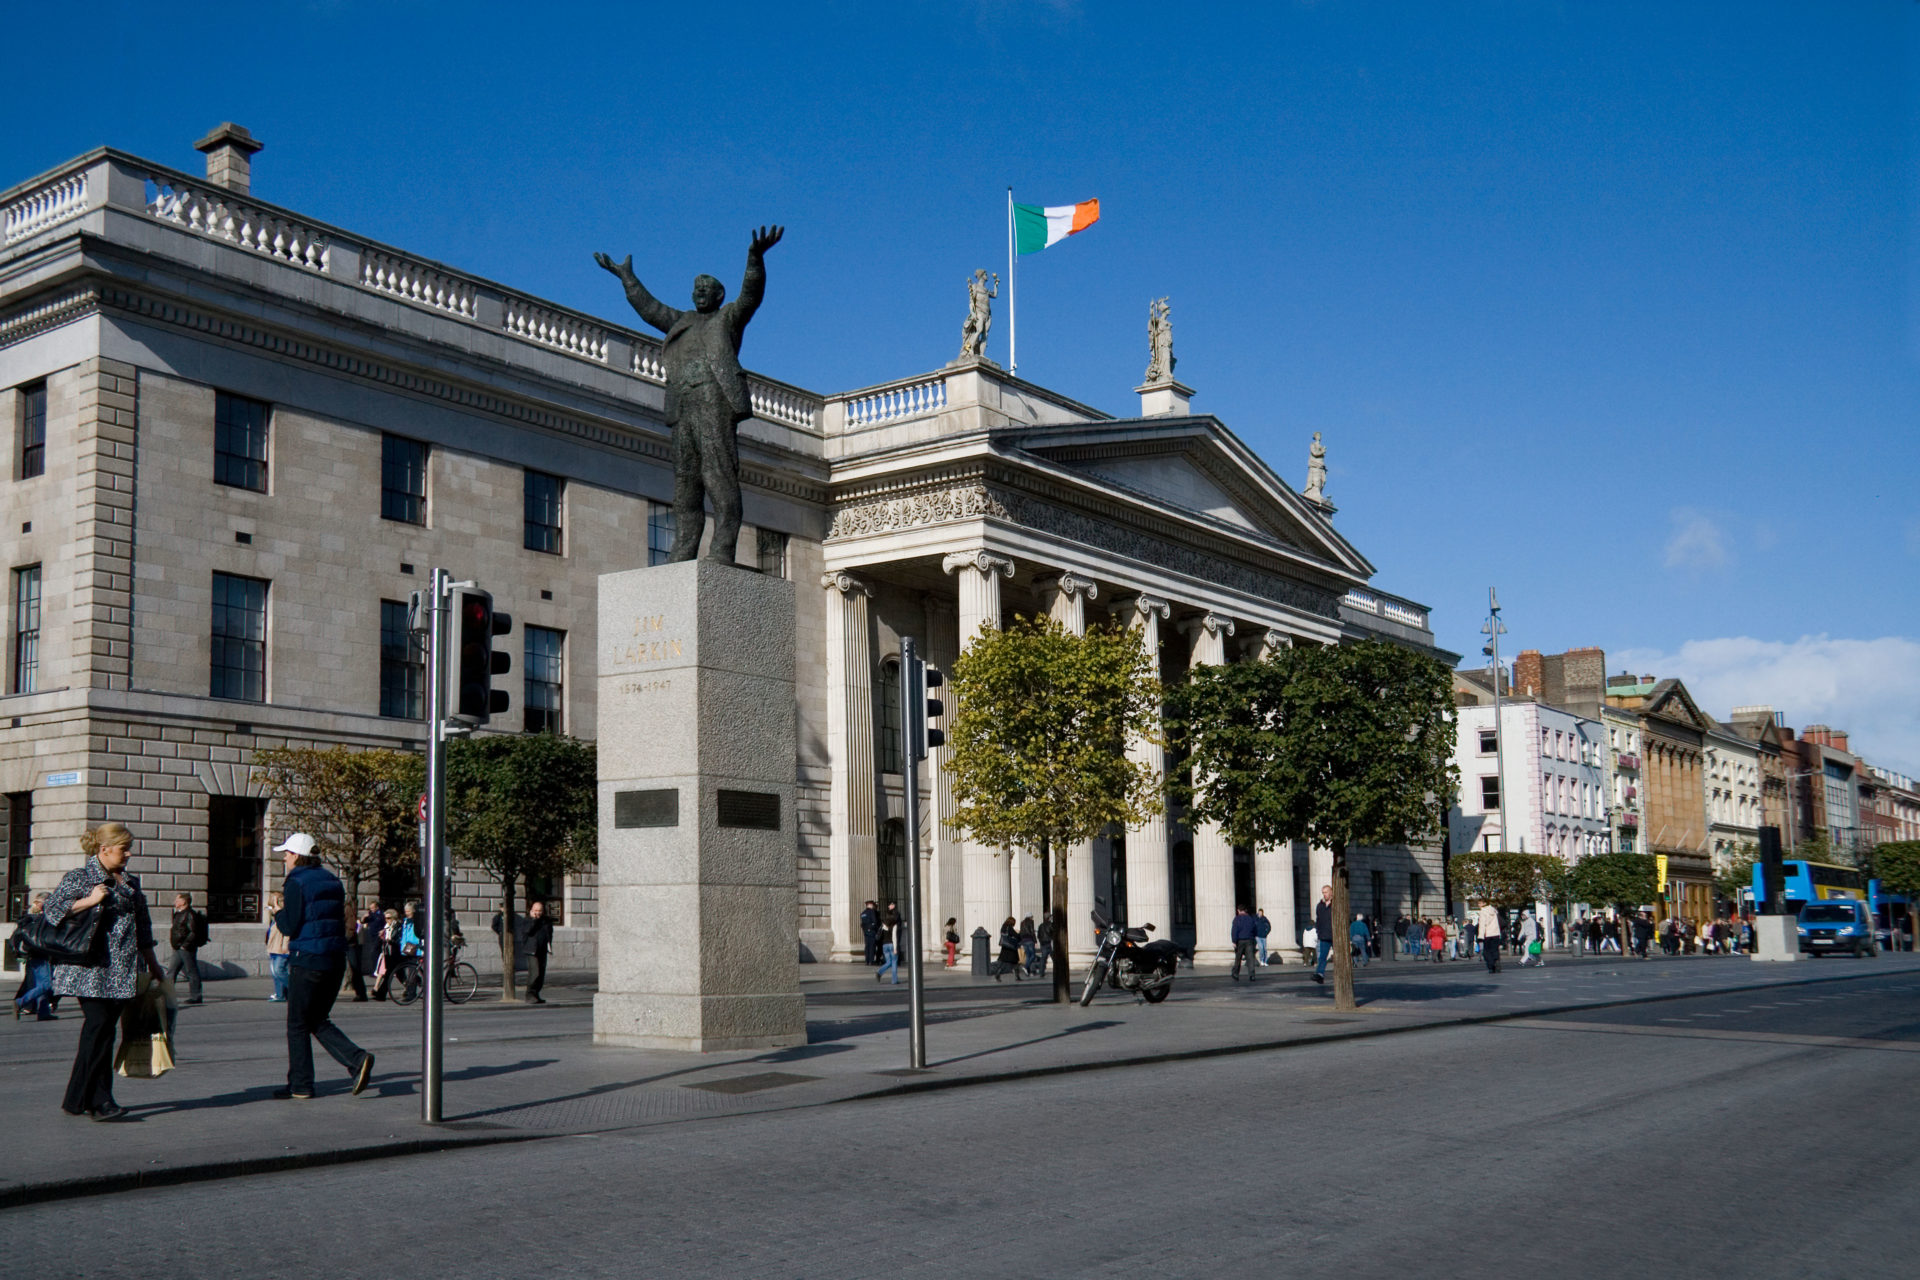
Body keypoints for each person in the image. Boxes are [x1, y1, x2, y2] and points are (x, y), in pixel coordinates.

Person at [44, 822, 163, 1119]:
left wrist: (154, 965)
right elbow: (52, 911)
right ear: (104, 849)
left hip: (122, 971)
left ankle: (76, 1099)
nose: (128, 854)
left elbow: (143, 928)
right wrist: (91, 900)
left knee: (103, 1034)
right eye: (123, 849)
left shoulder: (130, 883)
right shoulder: (81, 877)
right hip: (89, 969)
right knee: (98, 1029)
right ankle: (100, 1101)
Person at [271, 833, 374, 1100]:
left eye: (287, 853)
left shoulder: (295, 882)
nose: (284, 857)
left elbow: (290, 926)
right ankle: (356, 1060)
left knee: (296, 1024)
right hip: (334, 959)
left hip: (307, 958)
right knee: (316, 1018)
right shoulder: (332, 880)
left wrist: (277, 912)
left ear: (297, 855)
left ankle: (302, 1085)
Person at [12, 893, 59, 1020]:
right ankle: (20, 1002)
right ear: (41, 904)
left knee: (41, 984)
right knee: (47, 984)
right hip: (42, 955)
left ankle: (43, 1013)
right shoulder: (42, 918)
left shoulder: (29, 918)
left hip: (33, 955)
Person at [165, 891, 208, 1004]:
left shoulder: (190, 914)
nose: (175, 902)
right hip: (178, 947)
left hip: (186, 948)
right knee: (171, 972)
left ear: (184, 901)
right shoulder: (178, 913)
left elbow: (193, 932)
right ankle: (167, 995)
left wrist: (185, 945)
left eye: (177, 900)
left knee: (191, 971)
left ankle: (196, 996)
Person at [522, 900, 554, 1003]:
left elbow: (549, 933)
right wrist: (533, 920)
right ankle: (529, 994)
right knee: (534, 973)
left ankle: (536, 994)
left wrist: (549, 945)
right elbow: (527, 931)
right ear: (531, 910)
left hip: (542, 949)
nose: (537, 913)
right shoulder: (527, 920)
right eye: (535, 910)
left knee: (541, 974)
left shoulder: (546, 921)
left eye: (540, 911)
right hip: (532, 950)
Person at [265, 892, 291, 1002]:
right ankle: (279, 994)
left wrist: (285, 946)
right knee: (275, 973)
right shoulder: (273, 918)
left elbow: (287, 933)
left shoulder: (284, 915)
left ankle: (294, 991)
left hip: (282, 949)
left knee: (279, 970)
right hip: (273, 949)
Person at [1312, 884, 1334, 985]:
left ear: (1331, 892)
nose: (1324, 894)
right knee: (1322, 957)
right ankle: (1320, 974)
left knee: (1338, 957)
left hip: (1335, 935)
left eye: (1326, 892)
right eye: (1323, 893)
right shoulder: (1320, 905)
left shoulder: (1336, 904)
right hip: (1324, 935)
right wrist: (1318, 931)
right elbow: (1318, 919)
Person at [1230, 906, 1259, 981]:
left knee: (1238, 958)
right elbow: (1255, 929)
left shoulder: (1237, 919)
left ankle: (1235, 973)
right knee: (1250, 958)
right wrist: (1253, 936)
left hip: (1240, 940)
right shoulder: (1250, 918)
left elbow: (1234, 930)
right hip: (1249, 940)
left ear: (1238, 910)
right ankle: (1252, 975)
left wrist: (1234, 941)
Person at [991, 917, 1023, 981]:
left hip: (1005, 947)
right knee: (1015, 962)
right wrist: (1020, 934)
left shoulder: (1003, 927)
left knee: (1003, 962)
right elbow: (1016, 935)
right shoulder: (1009, 928)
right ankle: (1017, 976)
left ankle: (998, 973)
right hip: (1011, 948)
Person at [874, 903, 899, 985]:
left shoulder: (883, 924)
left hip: (884, 945)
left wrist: (890, 909)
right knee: (894, 962)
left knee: (888, 962)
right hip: (891, 945)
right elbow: (894, 937)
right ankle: (894, 980)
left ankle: (879, 972)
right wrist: (895, 948)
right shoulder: (894, 925)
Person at [1477, 900, 1502, 973]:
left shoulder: (1483, 912)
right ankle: (1496, 961)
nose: (1478, 904)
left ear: (1484, 903)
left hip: (1487, 934)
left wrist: (1480, 936)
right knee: (1495, 949)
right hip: (1496, 933)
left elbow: (1482, 925)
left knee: (1487, 951)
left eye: (1480, 903)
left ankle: (1491, 966)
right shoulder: (1494, 910)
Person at [860, 900, 880, 966]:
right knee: (872, 946)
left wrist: (866, 929)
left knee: (867, 946)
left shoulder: (863, 913)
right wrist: (876, 929)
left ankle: (867, 960)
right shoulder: (872, 912)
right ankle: (871, 961)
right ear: (871, 905)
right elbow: (875, 921)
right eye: (873, 905)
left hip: (865, 931)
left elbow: (862, 924)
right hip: (872, 931)